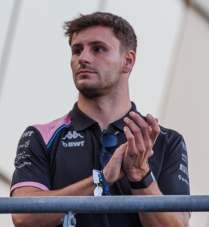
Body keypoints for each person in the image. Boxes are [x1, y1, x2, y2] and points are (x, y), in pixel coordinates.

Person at [10, 13, 190, 227]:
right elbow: (23, 216)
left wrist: (139, 173)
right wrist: (102, 179)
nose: (83, 58)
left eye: (98, 49)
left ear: (128, 60)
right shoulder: (40, 136)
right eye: (77, 50)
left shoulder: (166, 141)